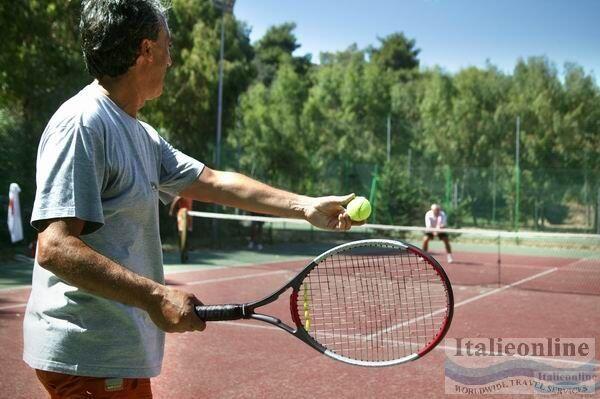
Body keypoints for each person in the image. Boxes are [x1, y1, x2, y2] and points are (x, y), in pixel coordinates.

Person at [23, 1, 359, 398]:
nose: (172, 58)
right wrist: (156, 296)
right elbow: (55, 246)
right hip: (88, 356)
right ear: (146, 50)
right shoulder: (83, 123)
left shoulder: (139, 133)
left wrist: (304, 206)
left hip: (110, 356)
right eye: (168, 45)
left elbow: (214, 181)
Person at [169, 196, 193, 262]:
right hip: (182, 217)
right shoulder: (184, 192)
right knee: (181, 236)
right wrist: (172, 210)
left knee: (187, 237)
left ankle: (185, 253)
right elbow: (176, 199)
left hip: (189, 218)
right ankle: (183, 254)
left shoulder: (192, 195)